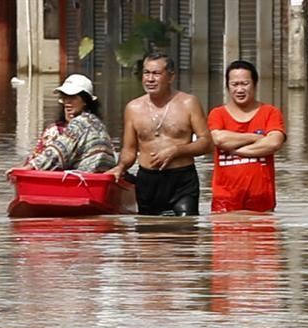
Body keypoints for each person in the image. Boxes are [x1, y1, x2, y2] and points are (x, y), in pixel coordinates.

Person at [107, 52, 211, 216]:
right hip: (148, 180)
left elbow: (207, 143)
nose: (150, 79)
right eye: (146, 73)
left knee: (186, 230)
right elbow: (129, 149)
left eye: (156, 73)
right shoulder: (133, 108)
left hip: (181, 179)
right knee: (150, 237)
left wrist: (177, 151)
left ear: (171, 77)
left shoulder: (188, 103)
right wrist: (120, 168)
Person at [208, 60, 286, 213]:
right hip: (225, 200)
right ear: (227, 86)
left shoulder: (270, 112)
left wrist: (236, 150)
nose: (239, 89)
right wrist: (256, 138)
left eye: (245, 83)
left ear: (255, 84)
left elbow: (273, 143)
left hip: (261, 199)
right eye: (234, 84)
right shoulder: (218, 114)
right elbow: (219, 139)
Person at [21, 74, 116, 173]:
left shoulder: (79, 123)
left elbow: (58, 152)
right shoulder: (99, 124)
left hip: (85, 178)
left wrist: (27, 168)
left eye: (73, 97)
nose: (67, 102)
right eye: (65, 97)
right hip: (99, 177)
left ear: (85, 100)